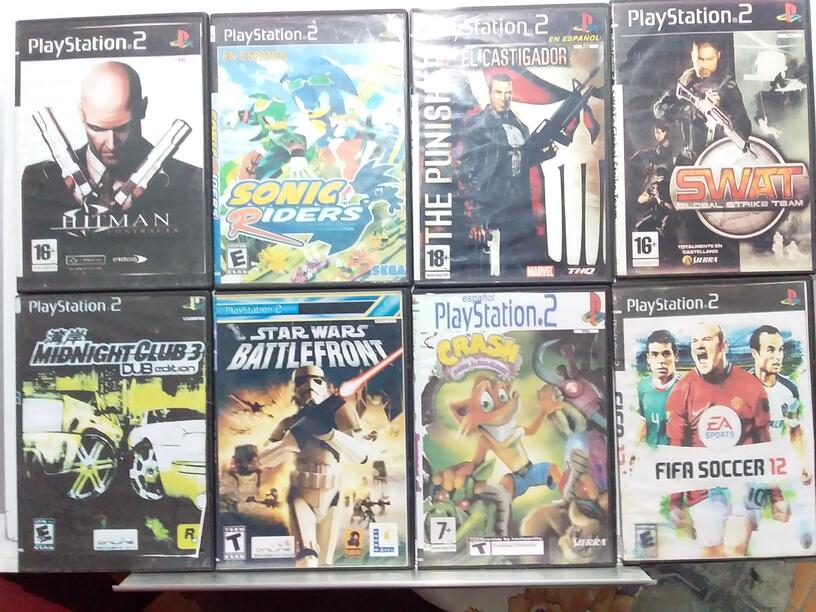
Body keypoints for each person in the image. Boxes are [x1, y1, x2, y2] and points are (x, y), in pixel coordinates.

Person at [21, 61, 202, 274]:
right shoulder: (39, 180)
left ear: (142, 109)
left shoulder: (191, 182)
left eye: (122, 128)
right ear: (81, 113)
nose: (111, 144)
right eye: (97, 128)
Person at [665, 323, 788, 557]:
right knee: (712, 554)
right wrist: (675, 501)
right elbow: (676, 451)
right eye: (695, 342)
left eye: (707, 340)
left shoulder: (751, 386)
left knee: (734, 548)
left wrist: (776, 497)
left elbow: (764, 444)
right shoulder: (681, 392)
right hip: (703, 487)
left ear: (723, 345)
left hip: (744, 482)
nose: (699, 346)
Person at [457, 74, 554, 276]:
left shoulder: (519, 125)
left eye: (508, 92)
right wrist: (476, 215)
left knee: (518, 266)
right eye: (499, 92)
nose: (504, 97)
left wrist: (544, 153)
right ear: (490, 94)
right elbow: (467, 171)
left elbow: (522, 159)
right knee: (493, 270)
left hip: (518, 207)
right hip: (492, 208)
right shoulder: (478, 125)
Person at [653, 37, 751, 162]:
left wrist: (722, 108)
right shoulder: (685, 81)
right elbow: (658, 111)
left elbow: (745, 128)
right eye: (700, 59)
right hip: (688, 159)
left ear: (718, 56)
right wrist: (691, 110)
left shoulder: (727, 87)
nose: (704, 65)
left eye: (709, 59)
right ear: (692, 56)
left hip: (717, 158)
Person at [636, 330, 681, 446]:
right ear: (648, 358)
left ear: (676, 356)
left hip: (678, 454)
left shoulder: (687, 387)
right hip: (651, 454)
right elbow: (641, 424)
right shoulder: (642, 387)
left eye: (666, 354)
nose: (661, 361)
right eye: (655, 355)